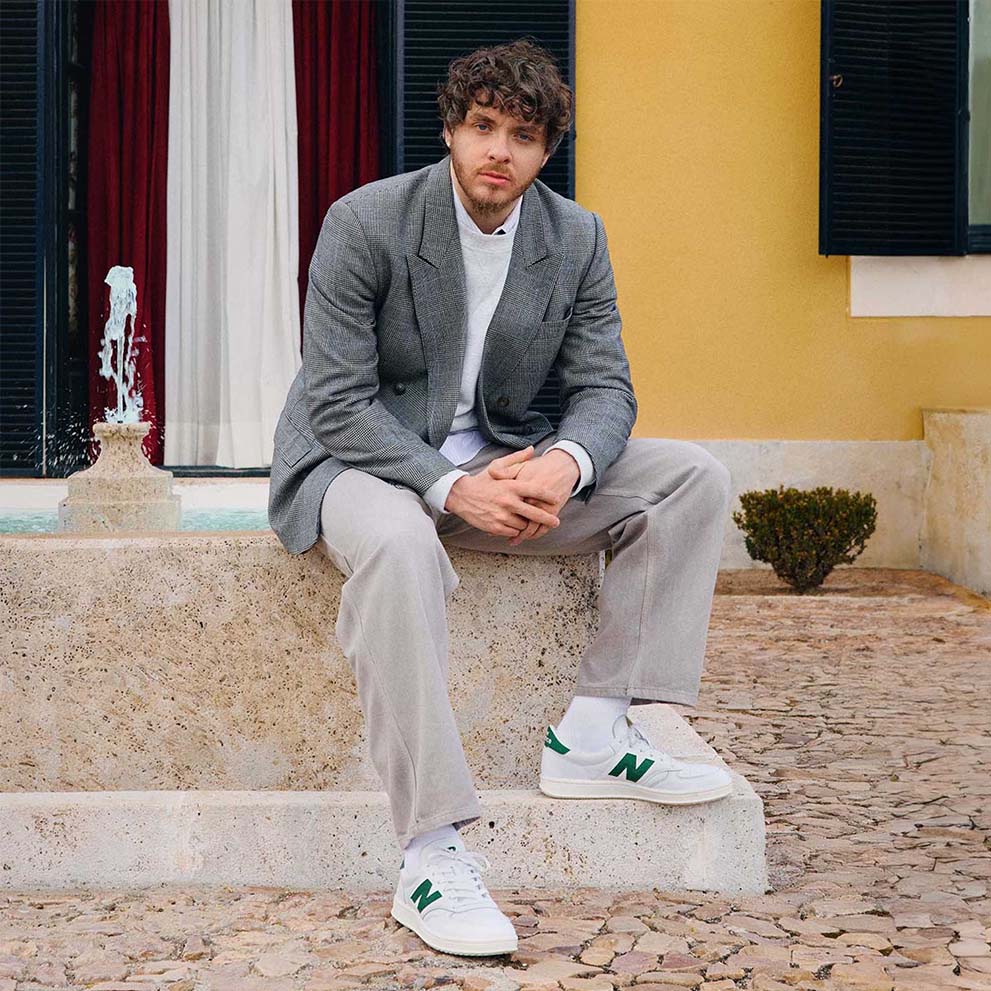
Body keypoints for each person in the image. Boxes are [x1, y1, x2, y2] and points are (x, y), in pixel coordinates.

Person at [268, 37, 734, 958]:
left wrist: (566, 462)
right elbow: (336, 402)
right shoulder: (365, 222)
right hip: (358, 462)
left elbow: (605, 388)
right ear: (450, 129)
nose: (498, 151)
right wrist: (450, 485)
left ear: (545, 150)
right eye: (482, 126)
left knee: (691, 477)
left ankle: (594, 731)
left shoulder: (575, 237)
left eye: (523, 136)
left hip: (504, 462)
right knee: (400, 544)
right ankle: (429, 852)